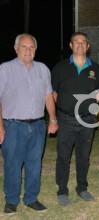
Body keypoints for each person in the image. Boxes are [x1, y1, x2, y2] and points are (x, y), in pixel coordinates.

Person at [0, 33, 59, 215]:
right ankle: (11, 200)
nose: (28, 50)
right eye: (24, 47)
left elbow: (48, 96)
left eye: (31, 47)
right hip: (13, 126)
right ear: (16, 48)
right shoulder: (5, 69)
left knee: (34, 164)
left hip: (38, 125)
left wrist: (53, 119)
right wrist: (0, 126)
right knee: (13, 164)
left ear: (35, 49)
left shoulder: (43, 69)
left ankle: (31, 198)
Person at [51, 32, 99, 206]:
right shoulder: (60, 67)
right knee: (63, 157)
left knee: (83, 156)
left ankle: (82, 188)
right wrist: (63, 109)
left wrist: (94, 105)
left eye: (83, 42)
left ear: (88, 46)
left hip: (87, 120)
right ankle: (62, 190)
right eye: (77, 42)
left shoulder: (95, 68)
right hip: (66, 119)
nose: (80, 45)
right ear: (71, 45)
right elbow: (53, 93)